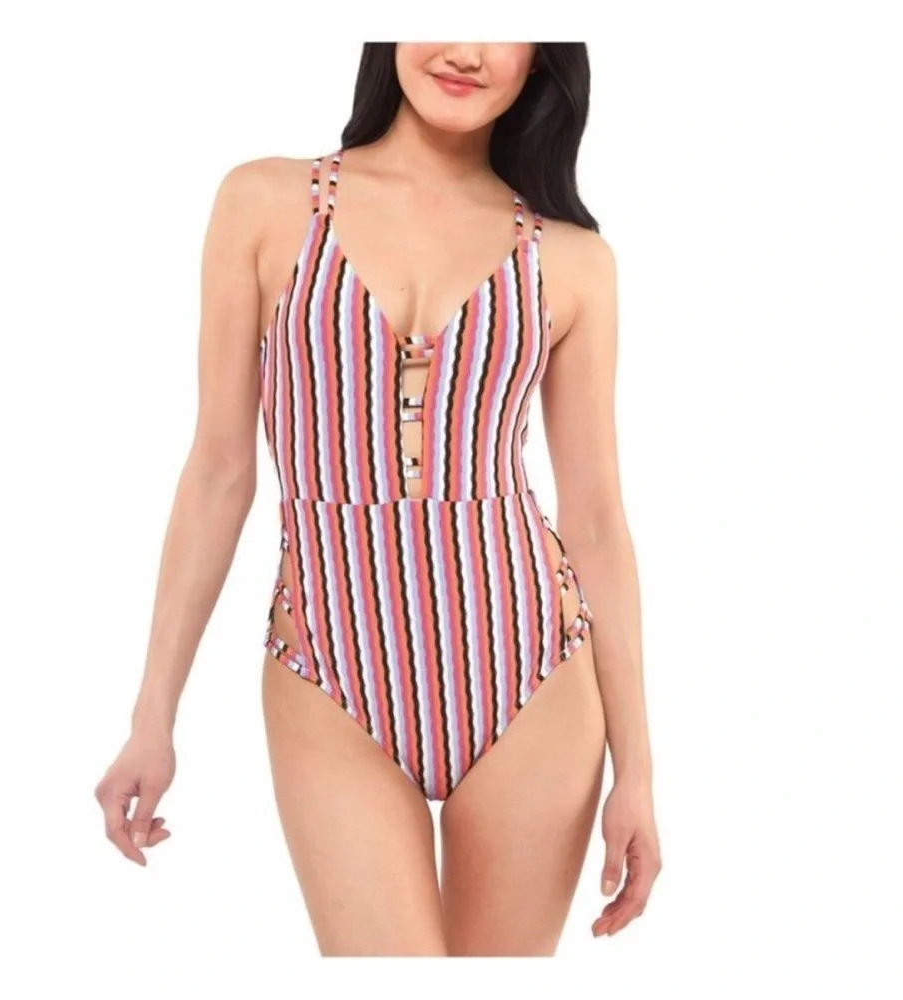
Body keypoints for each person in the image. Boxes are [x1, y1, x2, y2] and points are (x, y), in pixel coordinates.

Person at [94, 41, 661, 957]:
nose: (465, 49)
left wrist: (637, 772)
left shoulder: (573, 259)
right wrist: (151, 717)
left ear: (540, 58)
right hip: (330, 673)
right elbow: (220, 471)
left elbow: (596, 518)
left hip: (533, 676)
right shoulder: (265, 203)